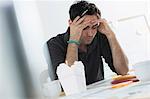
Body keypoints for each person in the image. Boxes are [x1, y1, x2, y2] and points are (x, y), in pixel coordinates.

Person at [47, 0, 129, 85]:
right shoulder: (54, 45)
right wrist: (73, 40)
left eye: (94, 27)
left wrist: (111, 35)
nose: (90, 34)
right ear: (71, 24)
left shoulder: (99, 36)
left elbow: (123, 71)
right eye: (85, 28)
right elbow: (70, 83)